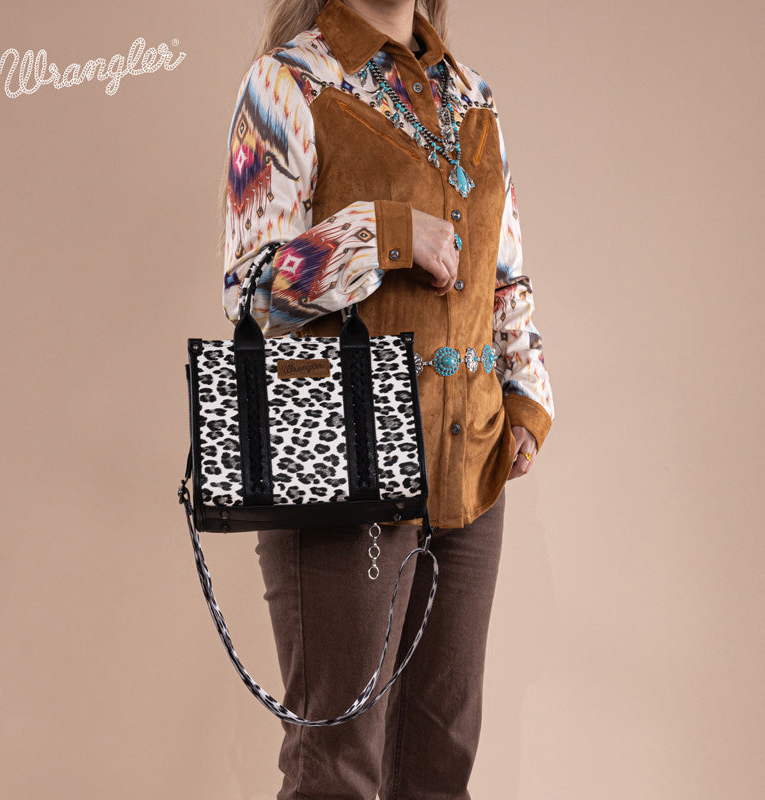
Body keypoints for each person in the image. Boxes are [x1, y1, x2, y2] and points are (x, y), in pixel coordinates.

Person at [219, 1, 555, 797]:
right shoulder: (287, 81)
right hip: (344, 462)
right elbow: (249, 290)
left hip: (470, 467)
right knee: (336, 770)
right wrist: (383, 232)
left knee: (440, 770)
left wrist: (525, 396)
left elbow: (504, 274)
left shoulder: (470, 94)